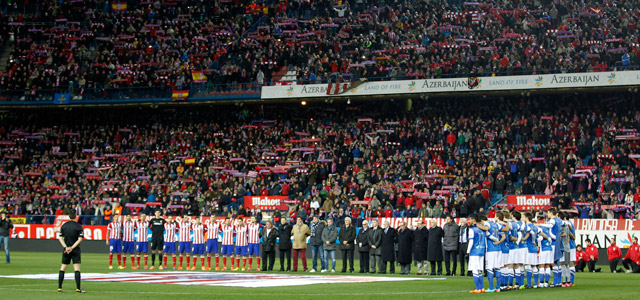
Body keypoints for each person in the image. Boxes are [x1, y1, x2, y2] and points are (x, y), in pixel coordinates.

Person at [57, 211, 86, 293]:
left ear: (69, 216)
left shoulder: (64, 226)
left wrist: (66, 247)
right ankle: (78, 288)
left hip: (66, 250)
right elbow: (80, 239)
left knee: (63, 268)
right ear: (76, 216)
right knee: (76, 268)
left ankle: (59, 287)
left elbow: (60, 238)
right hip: (75, 249)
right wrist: (72, 247)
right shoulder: (78, 226)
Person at [468, 214, 486, 293]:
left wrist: (468, 251)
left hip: (474, 251)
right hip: (482, 251)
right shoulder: (482, 229)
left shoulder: (472, 229)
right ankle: (482, 288)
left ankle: (477, 289)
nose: (469, 220)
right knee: (479, 270)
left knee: (475, 270)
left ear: (473, 220)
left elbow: (471, 241)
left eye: (470, 219)